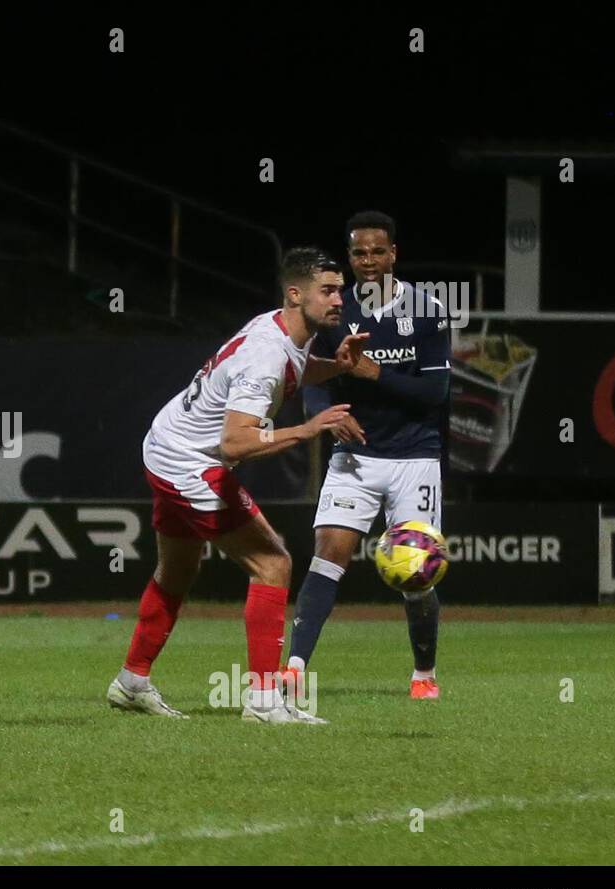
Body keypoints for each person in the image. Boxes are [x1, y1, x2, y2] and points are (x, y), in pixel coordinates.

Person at [107, 248, 367, 723]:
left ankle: (131, 681)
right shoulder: (265, 354)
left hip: (167, 442)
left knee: (177, 571)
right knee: (273, 562)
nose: (338, 300)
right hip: (189, 461)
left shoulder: (281, 328)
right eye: (327, 290)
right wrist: (308, 430)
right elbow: (235, 442)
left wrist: (338, 367)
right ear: (295, 294)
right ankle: (264, 702)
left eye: (339, 290)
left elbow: (295, 370)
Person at [288, 211, 451, 698]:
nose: (369, 261)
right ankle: (295, 669)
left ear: (393, 254)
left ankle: (424, 675)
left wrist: (373, 374)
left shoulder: (428, 309)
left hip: (414, 458)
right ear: (350, 257)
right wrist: (331, 411)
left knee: (416, 574)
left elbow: (436, 392)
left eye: (378, 251)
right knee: (327, 555)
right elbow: (311, 379)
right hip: (355, 456)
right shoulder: (334, 313)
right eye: (359, 252)